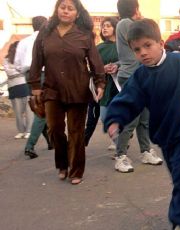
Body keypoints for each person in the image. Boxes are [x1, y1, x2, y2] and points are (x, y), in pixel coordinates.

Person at [104, 19, 180, 230]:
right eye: (136, 49)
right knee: (179, 176)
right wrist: (115, 119)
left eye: (147, 45)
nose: (142, 52)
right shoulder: (141, 76)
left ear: (160, 43)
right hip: (165, 136)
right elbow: (128, 99)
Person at [28, 0, 105, 185]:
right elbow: (36, 60)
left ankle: (76, 170)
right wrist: (35, 86)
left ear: (77, 14)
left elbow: (95, 62)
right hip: (52, 90)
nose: (66, 11)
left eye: (71, 8)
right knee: (54, 129)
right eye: (63, 7)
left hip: (78, 90)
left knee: (76, 131)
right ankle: (62, 164)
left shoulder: (85, 35)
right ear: (57, 10)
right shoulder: (45, 34)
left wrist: (100, 83)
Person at [111, 0, 163, 174]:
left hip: (143, 75)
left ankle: (146, 151)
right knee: (132, 119)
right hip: (133, 77)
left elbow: (128, 54)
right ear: (135, 8)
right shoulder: (126, 23)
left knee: (145, 119)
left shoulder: (123, 24)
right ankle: (120, 156)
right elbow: (138, 40)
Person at [14, 16, 52, 159]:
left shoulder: (23, 42)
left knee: (39, 108)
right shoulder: (47, 39)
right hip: (44, 74)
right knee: (41, 112)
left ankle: (50, 141)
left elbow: (17, 64)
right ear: (46, 25)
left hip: (29, 75)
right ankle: (30, 145)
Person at [84, 17, 119, 151]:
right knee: (104, 117)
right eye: (103, 26)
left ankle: (120, 144)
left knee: (118, 115)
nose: (104, 28)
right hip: (101, 86)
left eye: (108, 26)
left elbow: (129, 64)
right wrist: (101, 69)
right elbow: (89, 67)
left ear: (116, 28)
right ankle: (118, 139)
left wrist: (118, 67)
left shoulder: (123, 47)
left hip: (118, 86)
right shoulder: (98, 48)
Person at [2, 41, 34, 140]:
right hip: (13, 87)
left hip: (25, 85)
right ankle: (21, 131)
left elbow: (27, 69)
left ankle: (28, 131)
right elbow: (9, 72)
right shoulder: (6, 59)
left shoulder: (25, 59)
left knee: (29, 111)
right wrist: (20, 71)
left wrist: (17, 70)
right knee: (18, 112)